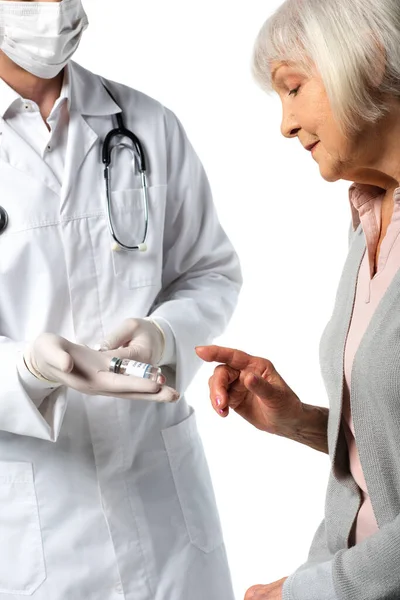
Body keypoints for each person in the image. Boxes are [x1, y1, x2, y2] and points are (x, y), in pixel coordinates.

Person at [0, 0, 242, 598]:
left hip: (164, 517)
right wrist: (27, 370)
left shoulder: (148, 124)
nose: (53, 9)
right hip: (31, 528)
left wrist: (164, 336)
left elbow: (209, 270)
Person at [197, 0, 400, 598]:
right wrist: (310, 423)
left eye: (293, 88)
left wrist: (305, 593)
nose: (285, 124)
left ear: (369, 57)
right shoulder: (369, 217)